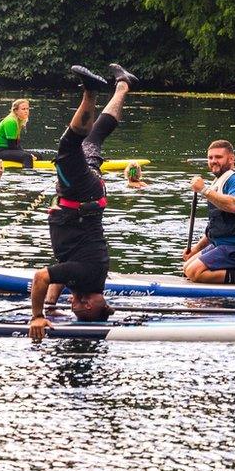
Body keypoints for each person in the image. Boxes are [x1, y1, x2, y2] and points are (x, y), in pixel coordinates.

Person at [28, 63, 139, 340]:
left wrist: (50, 306)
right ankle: (90, 91)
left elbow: (58, 275)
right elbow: (42, 277)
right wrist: (37, 316)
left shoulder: (90, 277)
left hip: (90, 193)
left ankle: (123, 84)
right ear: (88, 304)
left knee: (94, 137)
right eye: (75, 308)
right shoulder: (85, 275)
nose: (71, 305)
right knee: (67, 148)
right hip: (80, 193)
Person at [182, 139, 235, 284]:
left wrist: (203, 190)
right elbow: (216, 228)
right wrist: (196, 248)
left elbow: (234, 205)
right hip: (224, 244)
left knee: (194, 272)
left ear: (231, 159)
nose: (213, 161)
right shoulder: (219, 182)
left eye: (218, 157)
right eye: (210, 158)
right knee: (187, 267)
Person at [0, 99, 37, 168]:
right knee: (27, 157)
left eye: (27, 109)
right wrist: (27, 155)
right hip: (0, 152)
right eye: (23, 109)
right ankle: (28, 175)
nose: (26, 111)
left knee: (37, 155)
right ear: (16, 111)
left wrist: (27, 153)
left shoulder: (18, 120)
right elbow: (12, 145)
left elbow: (17, 144)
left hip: (9, 149)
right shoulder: (10, 121)